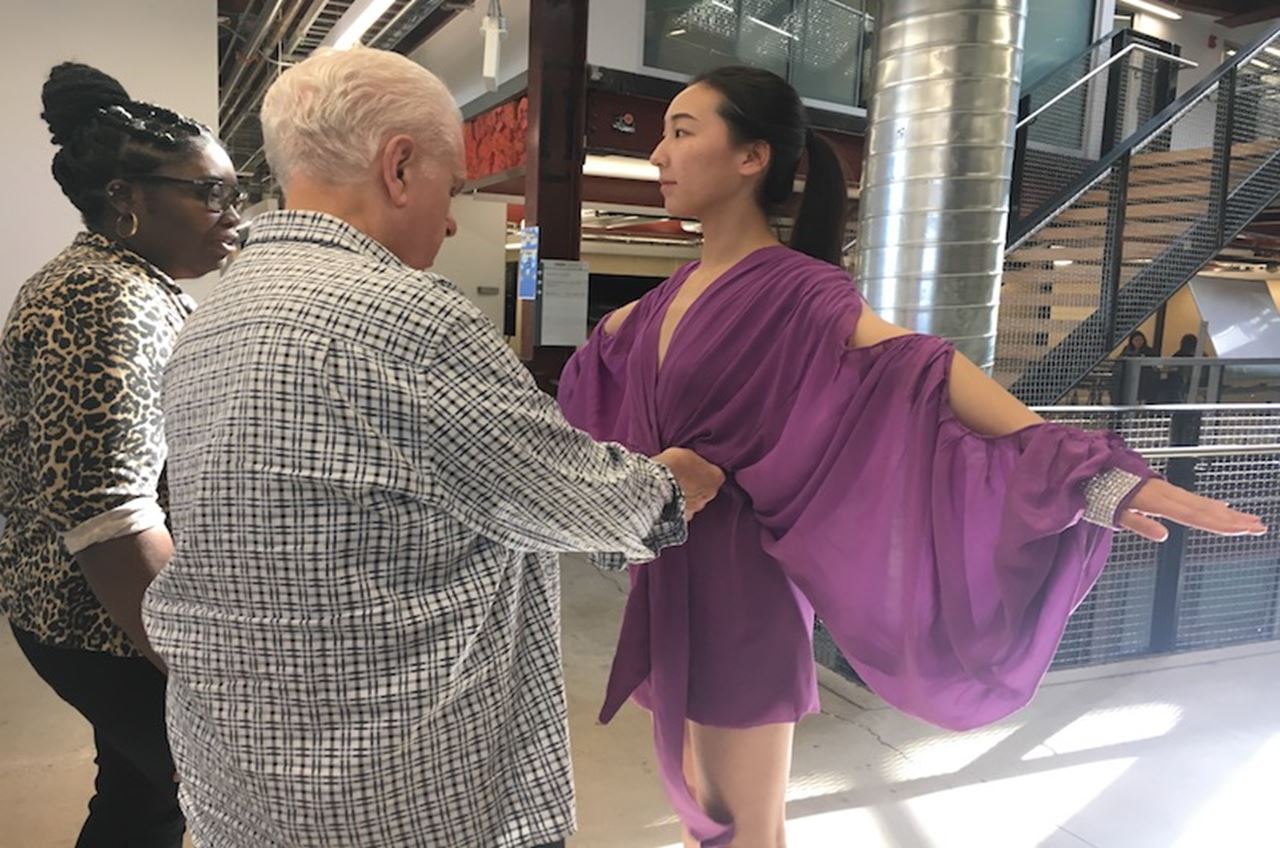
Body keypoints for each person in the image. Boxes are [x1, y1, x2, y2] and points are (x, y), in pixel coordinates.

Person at [557, 65, 1267, 848]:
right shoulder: (655, 305)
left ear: (753, 156)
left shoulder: (802, 294)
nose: (659, 154)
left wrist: (1098, 479)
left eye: (682, 133)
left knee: (739, 831)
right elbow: (584, 428)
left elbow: (923, 370)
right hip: (670, 579)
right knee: (707, 816)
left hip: (739, 589)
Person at [141, 47, 725, 848]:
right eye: (452, 188)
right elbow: (583, 500)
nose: (453, 219)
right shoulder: (406, 318)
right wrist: (672, 483)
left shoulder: (209, 318)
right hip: (394, 787)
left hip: (237, 771)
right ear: (400, 166)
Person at [0, 63, 243, 847]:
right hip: (100, 625)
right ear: (126, 199)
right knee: (168, 804)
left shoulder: (123, 283)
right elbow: (108, 516)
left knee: (142, 802)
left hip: (91, 620)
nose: (231, 214)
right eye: (210, 193)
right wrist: (197, 672)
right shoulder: (104, 297)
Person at [1114, 329, 1158, 403]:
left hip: (1145, 376)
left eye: (1141, 340)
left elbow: (1154, 362)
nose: (1139, 342)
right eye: (1136, 340)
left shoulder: (1148, 350)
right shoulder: (1127, 350)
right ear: (1132, 341)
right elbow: (1121, 360)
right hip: (1130, 376)